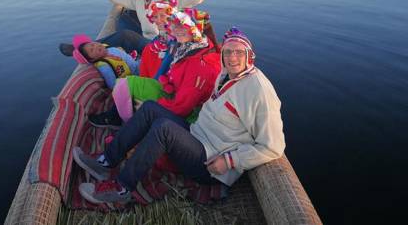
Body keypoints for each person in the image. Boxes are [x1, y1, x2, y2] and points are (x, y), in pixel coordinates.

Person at [72, 26, 285, 205]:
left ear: (250, 55)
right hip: (196, 135)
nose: (232, 58)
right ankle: (106, 161)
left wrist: (230, 161)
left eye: (239, 52)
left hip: (210, 162)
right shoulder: (226, 73)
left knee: (163, 129)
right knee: (150, 109)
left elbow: (273, 147)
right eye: (228, 52)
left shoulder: (259, 90)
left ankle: (121, 188)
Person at [59, 0, 232, 55]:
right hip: (146, 36)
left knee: (126, 34)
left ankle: (86, 48)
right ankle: (118, 46)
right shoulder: (139, 1)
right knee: (123, 18)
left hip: (160, 45)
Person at [89, 7, 220, 127]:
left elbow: (183, 106)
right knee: (123, 82)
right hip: (170, 90)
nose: (176, 30)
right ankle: (121, 120)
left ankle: (123, 123)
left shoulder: (198, 64)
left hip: (178, 106)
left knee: (123, 83)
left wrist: (150, 105)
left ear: (195, 30)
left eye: (163, 17)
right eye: (175, 26)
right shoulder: (185, 47)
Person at [71, 34, 139, 89]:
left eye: (92, 44)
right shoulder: (104, 66)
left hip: (137, 66)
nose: (95, 47)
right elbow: (112, 85)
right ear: (92, 59)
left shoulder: (109, 50)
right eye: (92, 50)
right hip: (134, 77)